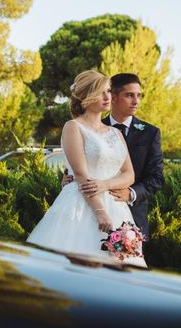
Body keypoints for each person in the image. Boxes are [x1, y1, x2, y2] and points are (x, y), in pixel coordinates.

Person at [26, 69, 147, 267]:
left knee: (122, 272)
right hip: (81, 205)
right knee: (73, 267)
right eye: (102, 92)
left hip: (117, 209)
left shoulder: (116, 134)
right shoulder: (73, 127)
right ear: (86, 96)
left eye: (109, 91)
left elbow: (129, 174)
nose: (108, 97)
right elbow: (81, 174)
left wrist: (105, 184)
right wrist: (100, 211)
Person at [102, 73, 164, 239]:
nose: (136, 101)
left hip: (134, 219)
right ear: (113, 97)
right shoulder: (94, 128)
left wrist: (131, 193)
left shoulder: (151, 133)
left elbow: (157, 178)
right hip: (96, 213)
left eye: (138, 95)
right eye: (129, 95)